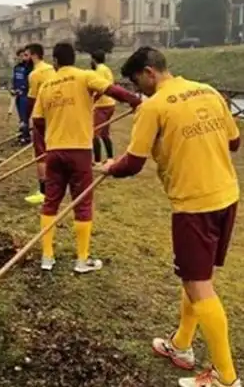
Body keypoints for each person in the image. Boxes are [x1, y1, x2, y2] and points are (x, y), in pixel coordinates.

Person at [99, 46, 241, 387]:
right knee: (198, 276)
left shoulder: (154, 106)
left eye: (137, 82)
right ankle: (181, 346)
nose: (137, 91)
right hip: (227, 196)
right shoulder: (208, 91)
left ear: (149, 72)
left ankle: (226, 378)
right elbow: (234, 143)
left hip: (194, 204)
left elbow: (132, 163)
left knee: (198, 284)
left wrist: (108, 166)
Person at [32, 42, 141, 272]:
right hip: (79, 151)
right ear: (74, 58)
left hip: (54, 151)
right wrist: (135, 101)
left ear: (55, 61)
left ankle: (47, 257)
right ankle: (82, 260)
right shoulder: (85, 76)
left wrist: (50, 135)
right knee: (82, 203)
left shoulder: (46, 85)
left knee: (51, 201)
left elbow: (38, 121)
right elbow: (111, 90)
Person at [24, 43, 55, 206]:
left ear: (34, 55)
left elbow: (32, 99)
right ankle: (55, 186)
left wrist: (28, 119)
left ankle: (43, 191)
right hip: (55, 115)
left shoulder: (35, 74)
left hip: (40, 116)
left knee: (41, 153)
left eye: (27, 55)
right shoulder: (52, 70)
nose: (25, 58)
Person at [90, 49, 116, 165]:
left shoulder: (99, 70)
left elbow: (101, 88)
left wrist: (92, 101)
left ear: (94, 60)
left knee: (94, 133)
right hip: (111, 103)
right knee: (105, 133)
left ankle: (97, 161)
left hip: (102, 105)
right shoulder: (107, 69)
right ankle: (110, 158)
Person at [12, 48, 33, 145]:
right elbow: (14, 80)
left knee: (25, 117)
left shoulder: (29, 67)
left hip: (25, 95)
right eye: (19, 56)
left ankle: (26, 136)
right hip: (17, 95)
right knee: (21, 117)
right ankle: (22, 134)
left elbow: (29, 81)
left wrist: (23, 89)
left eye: (23, 56)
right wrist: (13, 89)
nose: (21, 58)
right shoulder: (16, 68)